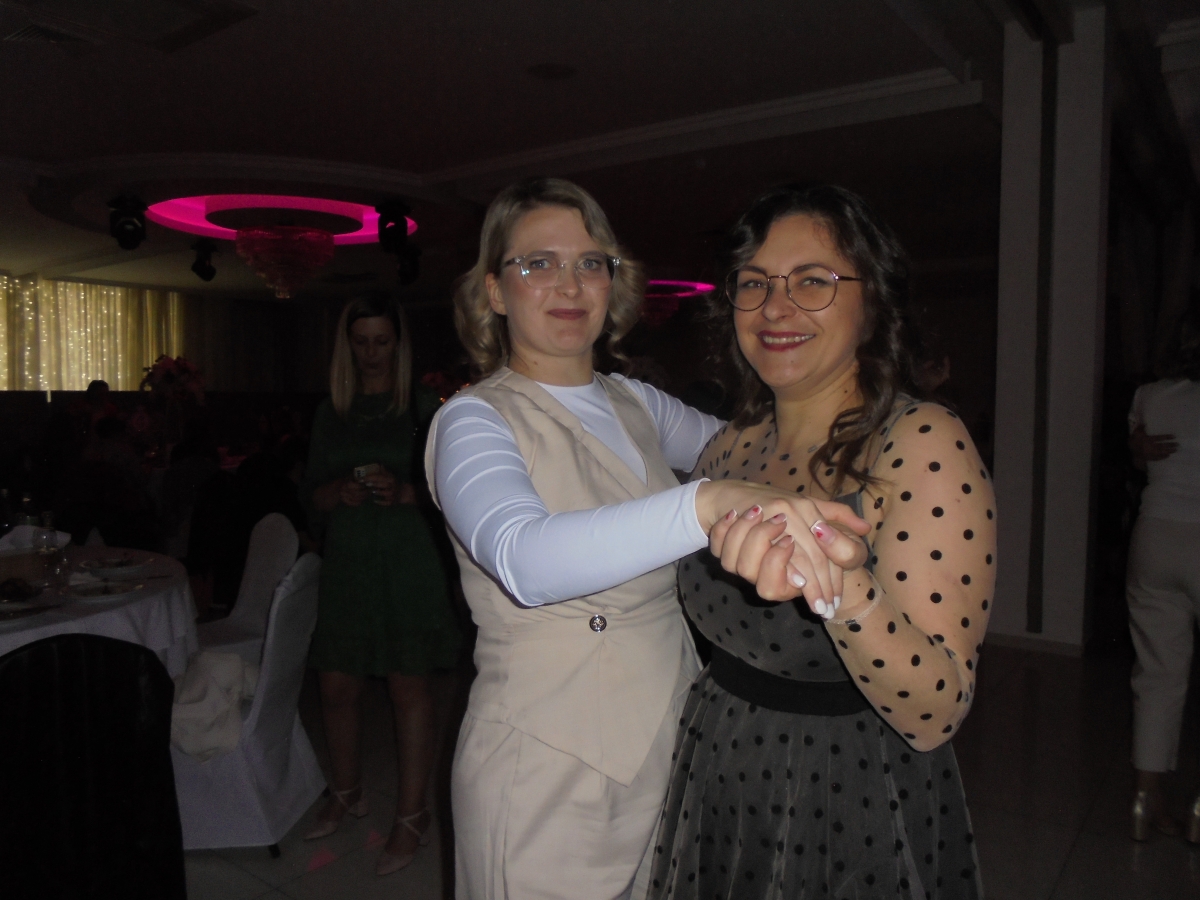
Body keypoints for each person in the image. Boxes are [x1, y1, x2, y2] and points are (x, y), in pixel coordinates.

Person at [425, 177, 870, 900]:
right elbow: (523, 559)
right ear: (495, 292)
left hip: (673, 734)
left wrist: (859, 414)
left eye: (590, 262)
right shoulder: (473, 421)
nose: (569, 284)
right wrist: (706, 501)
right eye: (537, 263)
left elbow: (761, 455)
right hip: (548, 763)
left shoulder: (635, 400)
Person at [647, 185, 996, 900]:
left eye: (812, 281)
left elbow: (936, 711)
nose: (775, 308)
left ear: (874, 302)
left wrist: (844, 589)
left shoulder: (920, 440)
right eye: (754, 283)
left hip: (850, 786)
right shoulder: (729, 447)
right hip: (720, 759)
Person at [301, 292, 461, 876]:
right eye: (361, 341)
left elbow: (456, 495)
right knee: (336, 685)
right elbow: (311, 496)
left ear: (399, 345)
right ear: (348, 346)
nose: (371, 353)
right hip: (349, 562)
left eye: (382, 342)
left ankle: (412, 816)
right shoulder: (332, 412)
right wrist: (336, 491)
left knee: (407, 688)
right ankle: (347, 792)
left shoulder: (425, 409)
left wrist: (409, 492)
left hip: (407, 560)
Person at [1126, 304, 1200, 843]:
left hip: (1155, 537)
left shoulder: (1151, 395)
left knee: (1157, 676)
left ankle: (1145, 800)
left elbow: (1141, 458)